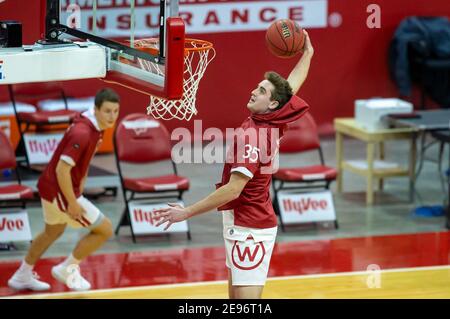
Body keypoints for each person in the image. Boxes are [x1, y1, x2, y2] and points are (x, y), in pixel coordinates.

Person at [155, 31, 314, 299]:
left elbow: (233, 190)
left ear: (272, 103)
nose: (254, 91)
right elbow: (291, 87)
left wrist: (187, 212)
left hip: (249, 226)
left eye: (261, 91)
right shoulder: (275, 117)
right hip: (243, 221)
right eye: (257, 86)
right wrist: (308, 54)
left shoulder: (253, 136)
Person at [8, 88, 120, 292]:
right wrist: (73, 202)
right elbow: (62, 170)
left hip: (50, 187)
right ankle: (68, 267)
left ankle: (22, 274)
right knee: (104, 229)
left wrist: (80, 192)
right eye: (107, 111)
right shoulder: (83, 133)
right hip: (59, 190)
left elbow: (81, 167)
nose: (112, 116)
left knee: (53, 231)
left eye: (115, 111)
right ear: (95, 110)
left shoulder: (93, 126)